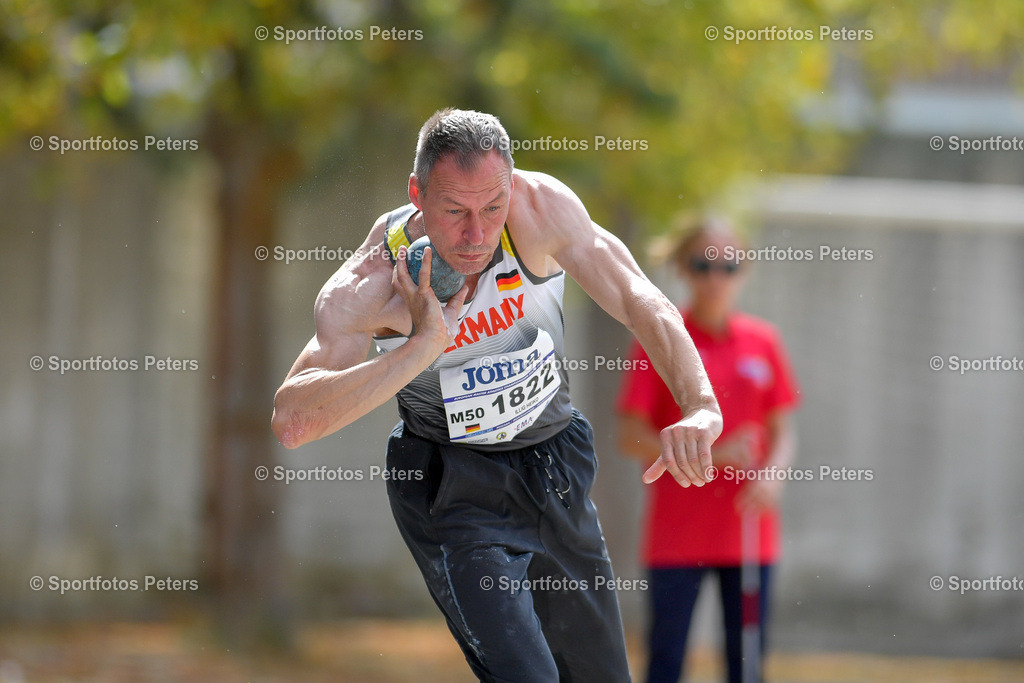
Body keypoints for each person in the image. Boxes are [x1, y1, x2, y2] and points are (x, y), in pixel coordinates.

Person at [272, 108, 723, 682]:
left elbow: (641, 298)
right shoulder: (373, 282)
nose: (477, 235)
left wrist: (700, 404)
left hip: (555, 463)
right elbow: (293, 420)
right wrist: (420, 347)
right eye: (454, 211)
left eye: (492, 208)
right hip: (454, 484)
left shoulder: (539, 209)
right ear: (417, 194)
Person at [616, 219, 800, 683]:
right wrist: (711, 456)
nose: (716, 278)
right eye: (703, 265)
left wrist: (774, 476)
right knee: (666, 660)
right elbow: (629, 436)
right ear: (682, 268)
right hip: (677, 535)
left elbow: (783, 430)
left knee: (747, 663)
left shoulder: (764, 341)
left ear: (744, 271)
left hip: (748, 531)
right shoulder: (660, 340)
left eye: (728, 266)